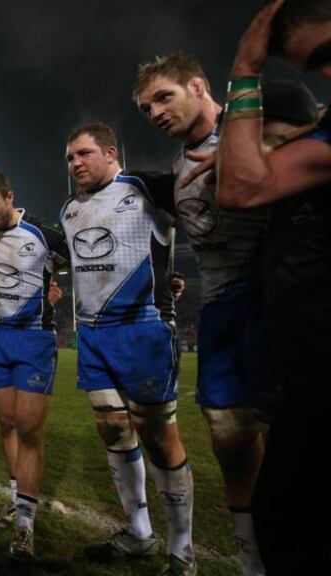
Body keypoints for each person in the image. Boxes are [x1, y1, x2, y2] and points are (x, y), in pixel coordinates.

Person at [134, 53, 268, 575]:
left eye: (164, 97)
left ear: (198, 85)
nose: (156, 112)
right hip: (219, 310)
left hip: (273, 300)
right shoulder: (177, 165)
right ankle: (249, 561)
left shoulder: (255, 125)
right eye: (147, 109)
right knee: (230, 441)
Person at [213, 1, 331, 570]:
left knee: (286, 518)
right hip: (308, 376)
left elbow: (239, 186)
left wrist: (245, 67)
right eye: (316, 65)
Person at [61, 123, 195, 575]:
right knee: (114, 431)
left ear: (111, 152)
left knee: (160, 437)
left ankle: (182, 551)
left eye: (83, 153)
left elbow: (199, 206)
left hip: (144, 329)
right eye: (69, 157)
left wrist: (172, 276)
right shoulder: (69, 211)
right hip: (94, 335)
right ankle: (139, 535)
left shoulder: (147, 187)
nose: (75, 163)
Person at [0, 173, 68, 561]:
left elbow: (77, 257)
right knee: (6, 423)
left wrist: (54, 286)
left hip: (33, 339)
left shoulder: (43, 233)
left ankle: (26, 527)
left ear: (10, 197)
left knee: (28, 428)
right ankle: (15, 501)